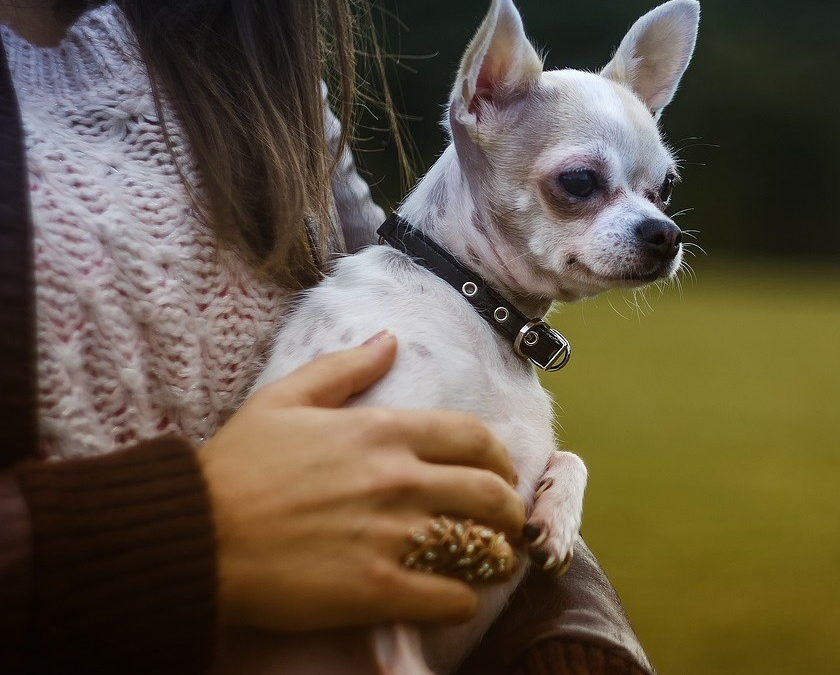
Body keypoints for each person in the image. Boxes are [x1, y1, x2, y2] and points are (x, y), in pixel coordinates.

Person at [0, 1, 654, 674]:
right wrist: (187, 530)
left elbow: (447, 302)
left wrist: (576, 640)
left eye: (661, 190)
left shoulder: (253, 52)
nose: (652, 220)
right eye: (580, 184)